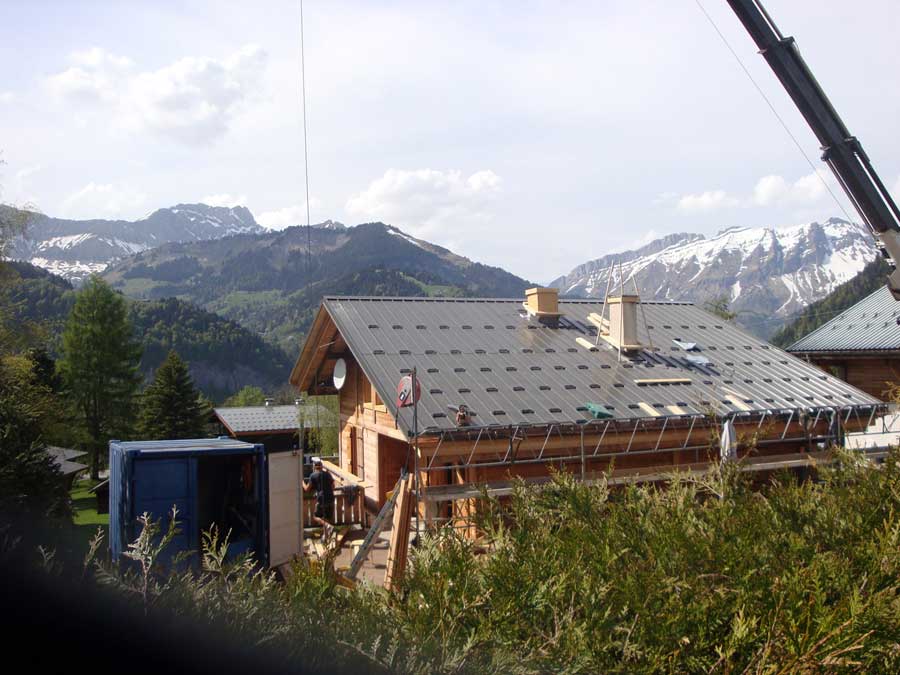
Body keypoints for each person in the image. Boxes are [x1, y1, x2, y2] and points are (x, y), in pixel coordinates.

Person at [303, 458, 335, 540]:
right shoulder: (328, 474)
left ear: (314, 467)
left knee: (316, 517)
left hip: (322, 499)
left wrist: (302, 482)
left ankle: (328, 526)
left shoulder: (313, 475)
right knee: (326, 518)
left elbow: (307, 489)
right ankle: (326, 536)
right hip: (331, 498)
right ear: (322, 467)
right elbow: (333, 486)